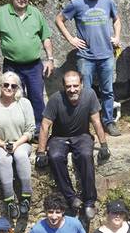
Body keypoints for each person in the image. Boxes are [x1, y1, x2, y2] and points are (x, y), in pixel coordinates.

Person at [34, 71, 111, 219]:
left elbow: (96, 121)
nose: (72, 89)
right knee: (55, 157)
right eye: (68, 86)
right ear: (63, 86)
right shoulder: (56, 99)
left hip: (82, 136)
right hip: (59, 137)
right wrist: (41, 152)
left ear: (81, 84)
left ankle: (89, 201)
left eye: (75, 86)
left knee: (85, 155)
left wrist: (103, 144)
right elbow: (45, 125)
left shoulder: (90, 96)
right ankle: (71, 198)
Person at [0, 0, 55, 142]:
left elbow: (46, 37)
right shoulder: (1, 14)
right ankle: (17, 134)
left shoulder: (36, 13)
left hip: (34, 66)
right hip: (12, 66)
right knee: (13, 99)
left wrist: (50, 59)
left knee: (37, 98)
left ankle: (38, 133)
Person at [55, 0, 122, 137]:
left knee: (107, 91)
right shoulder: (77, 3)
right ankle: (83, 124)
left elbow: (117, 20)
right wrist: (71, 38)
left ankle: (108, 122)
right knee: (85, 92)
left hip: (106, 55)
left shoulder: (108, 1)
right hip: (85, 57)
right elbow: (59, 19)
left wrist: (117, 36)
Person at [0, 72, 35, 220]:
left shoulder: (24, 103)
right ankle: (9, 201)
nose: (9, 88)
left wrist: (16, 144)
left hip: (21, 142)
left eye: (13, 85)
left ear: (17, 88)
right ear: (0, 86)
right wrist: (3, 144)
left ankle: (26, 197)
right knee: (5, 159)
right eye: (6, 85)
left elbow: (30, 129)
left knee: (20, 155)